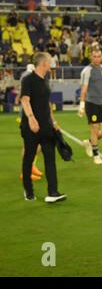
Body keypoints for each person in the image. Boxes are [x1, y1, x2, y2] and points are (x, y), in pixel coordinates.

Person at [20, 52, 67, 203]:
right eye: (49, 61)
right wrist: (31, 119)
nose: (51, 64)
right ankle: (28, 190)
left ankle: (52, 192)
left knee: (50, 158)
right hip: (31, 127)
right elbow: (25, 100)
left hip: (46, 127)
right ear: (43, 64)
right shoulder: (28, 80)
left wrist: (53, 122)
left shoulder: (45, 80)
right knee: (29, 157)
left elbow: (47, 104)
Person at [78, 49, 102, 165]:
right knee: (94, 130)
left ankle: (89, 142)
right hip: (91, 104)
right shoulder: (87, 71)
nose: (97, 58)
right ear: (91, 57)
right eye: (94, 56)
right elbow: (84, 89)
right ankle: (96, 155)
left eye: (99, 56)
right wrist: (81, 105)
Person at [19, 64, 44, 181]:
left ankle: (30, 166)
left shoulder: (26, 77)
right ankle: (25, 172)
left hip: (33, 113)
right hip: (29, 114)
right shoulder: (28, 78)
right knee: (29, 144)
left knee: (36, 144)